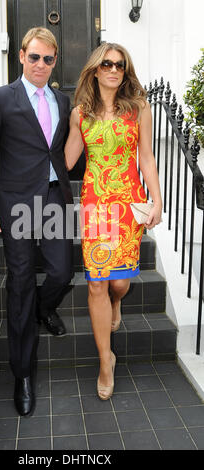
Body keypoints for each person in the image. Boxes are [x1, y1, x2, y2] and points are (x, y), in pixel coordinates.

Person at [0, 27, 74, 416]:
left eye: (48, 59)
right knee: (19, 283)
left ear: (54, 60)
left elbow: (64, 151)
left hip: (51, 199)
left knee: (62, 273)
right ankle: (23, 374)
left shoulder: (61, 101)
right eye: (34, 57)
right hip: (13, 204)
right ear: (21, 56)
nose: (41, 65)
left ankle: (42, 309)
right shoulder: (0, 99)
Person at [65, 42, 162, 400]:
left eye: (120, 65)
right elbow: (67, 158)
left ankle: (119, 300)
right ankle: (107, 360)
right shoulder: (80, 114)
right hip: (96, 207)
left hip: (128, 205)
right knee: (96, 284)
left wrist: (157, 199)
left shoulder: (139, 109)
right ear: (94, 69)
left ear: (125, 72)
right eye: (106, 63)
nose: (113, 69)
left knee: (119, 283)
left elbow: (147, 159)